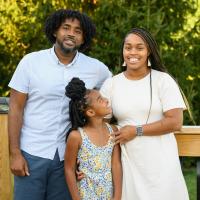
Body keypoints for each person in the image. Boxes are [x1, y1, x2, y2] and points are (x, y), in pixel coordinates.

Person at [8, 9, 111, 200]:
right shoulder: (30, 62)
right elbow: (15, 108)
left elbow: (112, 96)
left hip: (69, 159)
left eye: (78, 31)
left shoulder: (96, 68)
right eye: (66, 28)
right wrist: (15, 153)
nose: (71, 33)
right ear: (55, 31)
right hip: (31, 153)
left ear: (83, 39)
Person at [100, 27, 189, 200]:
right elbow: (98, 124)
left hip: (162, 163)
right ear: (123, 50)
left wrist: (136, 130)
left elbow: (175, 122)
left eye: (139, 48)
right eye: (128, 47)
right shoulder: (111, 84)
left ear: (149, 51)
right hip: (128, 162)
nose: (133, 52)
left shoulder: (163, 80)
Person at [64, 77, 122, 200]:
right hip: (86, 194)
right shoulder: (77, 136)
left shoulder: (113, 131)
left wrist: (117, 196)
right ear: (90, 112)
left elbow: (116, 164)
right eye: (100, 100)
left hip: (108, 194)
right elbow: (69, 169)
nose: (106, 100)